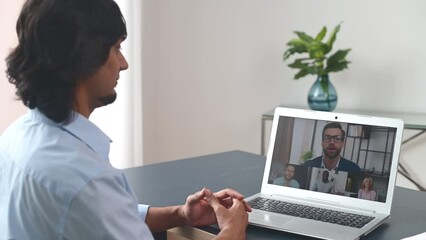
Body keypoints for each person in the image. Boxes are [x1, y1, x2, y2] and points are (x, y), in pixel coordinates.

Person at [0, 0, 251, 239]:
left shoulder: (16, 136)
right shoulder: (86, 181)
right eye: (117, 48)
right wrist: (232, 229)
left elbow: (101, 220)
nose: (124, 63)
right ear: (85, 55)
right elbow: (95, 207)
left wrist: (181, 214)